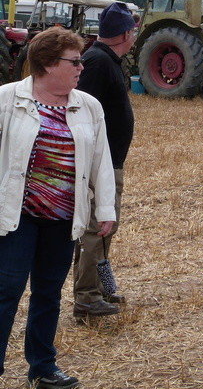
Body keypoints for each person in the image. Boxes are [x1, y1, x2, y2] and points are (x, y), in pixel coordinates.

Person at [0, 27, 116, 389]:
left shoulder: (88, 106)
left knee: (48, 293)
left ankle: (43, 368)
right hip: (17, 217)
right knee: (6, 290)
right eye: (74, 60)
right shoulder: (6, 99)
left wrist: (106, 208)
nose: (81, 66)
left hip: (64, 218)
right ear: (49, 64)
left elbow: (101, 161)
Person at [73, 2, 135, 319]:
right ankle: (86, 297)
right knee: (96, 228)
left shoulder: (104, 59)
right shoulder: (97, 62)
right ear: (126, 33)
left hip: (109, 164)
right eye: (134, 30)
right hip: (100, 165)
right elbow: (79, 111)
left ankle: (103, 288)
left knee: (105, 228)